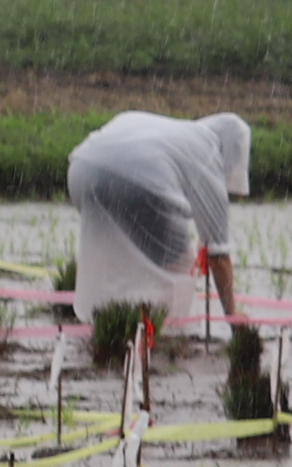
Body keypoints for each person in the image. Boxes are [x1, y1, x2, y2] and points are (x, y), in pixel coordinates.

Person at [66, 110, 252, 329]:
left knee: (123, 257)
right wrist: (232, 313)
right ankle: (162, 332)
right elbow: (218, 255)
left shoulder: (180, 136)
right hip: (139, 182)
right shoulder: (209, 157)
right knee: (180, 264)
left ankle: (112, 328)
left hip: (80, 172)